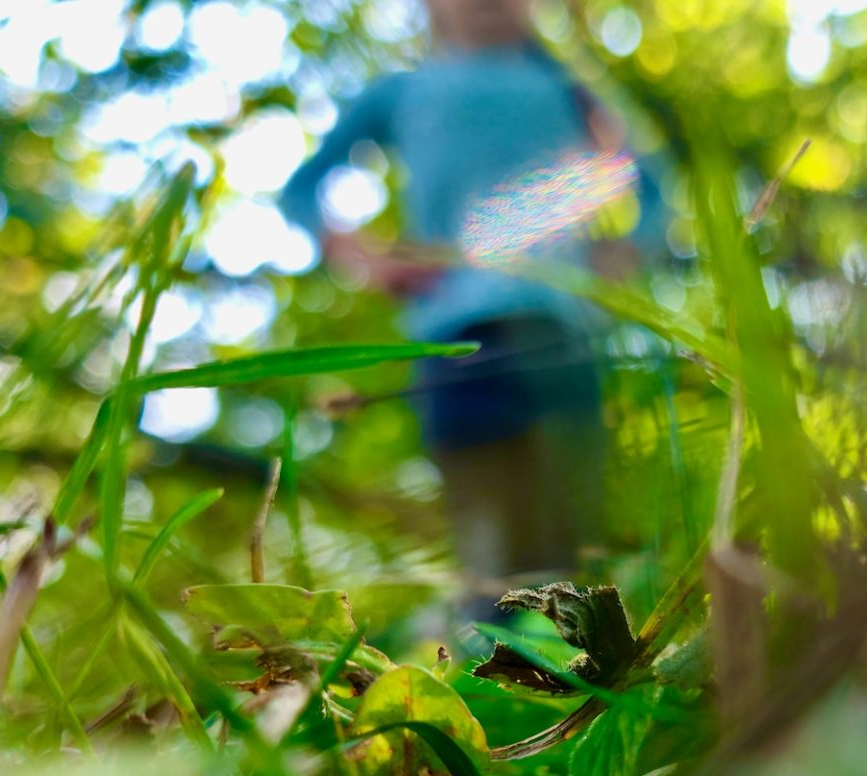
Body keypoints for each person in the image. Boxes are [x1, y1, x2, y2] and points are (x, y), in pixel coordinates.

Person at [280, 0, 667, 622]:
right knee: (488, 539)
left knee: (574, 532)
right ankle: (500, 683)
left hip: (561, 332)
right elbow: (301, 190)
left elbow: (654, 184)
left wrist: (624, 249)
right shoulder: (403, 92)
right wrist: (358, 254)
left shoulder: (565, 88)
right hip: (454, 340)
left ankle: (586, 683)